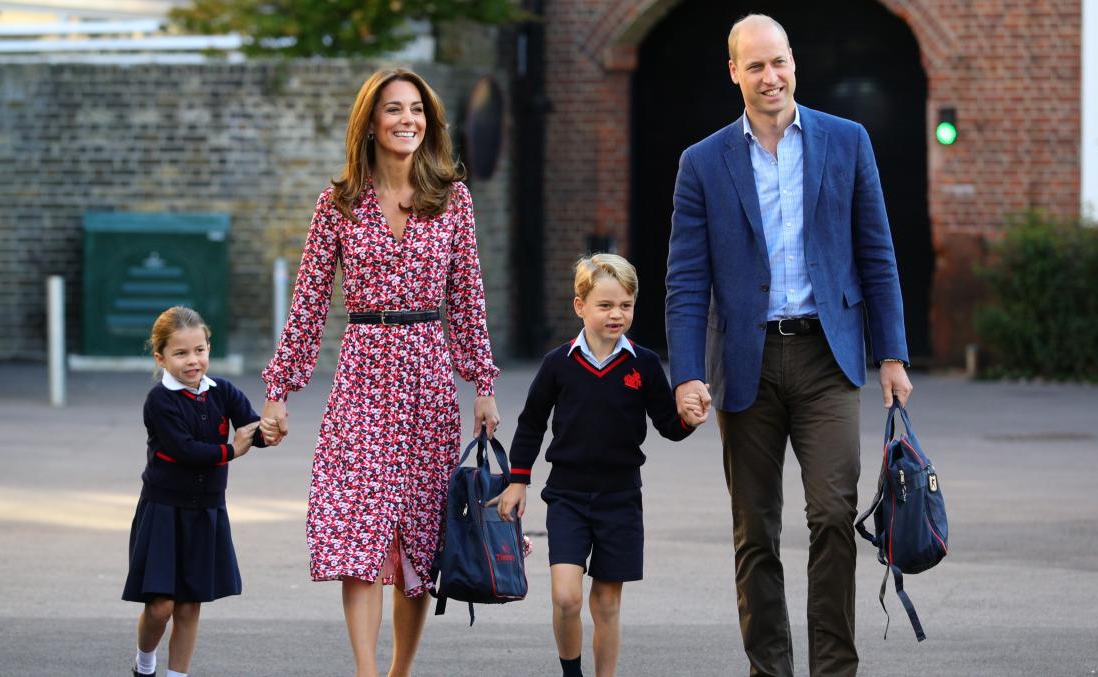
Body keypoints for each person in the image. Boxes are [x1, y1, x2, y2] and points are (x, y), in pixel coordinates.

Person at [665, 14, 914, 677]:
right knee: (756, 531)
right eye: (755, 66)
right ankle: (769, 669)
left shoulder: (847, 141)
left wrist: (891, 353)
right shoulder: (702, 162)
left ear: (793, 63)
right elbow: (686, 281)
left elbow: (877, 253)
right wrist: (686, 372)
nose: (769, 77)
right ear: (734, 73)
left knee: (833, 513)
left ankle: (834, 667)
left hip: (827, 356)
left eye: (778, 62)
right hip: (743, 362)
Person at [257, 67, 501, 677]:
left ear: (430, 120)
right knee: (358, 532)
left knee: (419, 539)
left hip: (427, 378)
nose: (406, 120)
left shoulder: (454, 198)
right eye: (393, 110)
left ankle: (399, 672)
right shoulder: (338, 201)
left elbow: (468, 298)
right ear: (370, 122)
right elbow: (309, 303)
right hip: (363, 374)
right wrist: (280, 390)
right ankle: (367, 672)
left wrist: (483, 386)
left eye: (416, 109)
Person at [493, 254, 706, 677]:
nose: (616, 314)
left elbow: (668, 424)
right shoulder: (559, 363)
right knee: (567, 597)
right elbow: (532, 423)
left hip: (621, 499)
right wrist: (518, 481)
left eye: (625, 305)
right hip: (568, 497)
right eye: (605, 305)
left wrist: (688, 419)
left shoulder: (643, 364)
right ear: (580, 306)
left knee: (606, 603)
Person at [123, 306, 267, 677]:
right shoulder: (160, 401)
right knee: (160, 605)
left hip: (206, 511)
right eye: (181, 353)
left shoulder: (223, 391)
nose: (193, 361)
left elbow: (252, 427)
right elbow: (185, 451)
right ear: (161, 357)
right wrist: (233, 450)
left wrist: (269, 429)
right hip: (164, 511)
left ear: (208, 348)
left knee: (189, 606)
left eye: (199, 350)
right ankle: (144, 663)